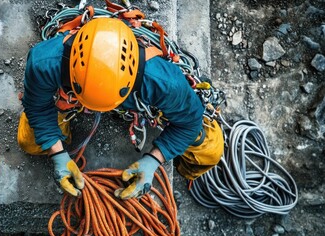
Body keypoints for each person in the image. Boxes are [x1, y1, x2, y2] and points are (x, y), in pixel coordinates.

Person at [18, 17, 224, 199]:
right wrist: (58, 154)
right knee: (29, 141)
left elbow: (190, 123)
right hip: (72, 97)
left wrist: (154, 159)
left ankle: (183, 171)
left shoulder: (164, 83)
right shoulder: (44, 63)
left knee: (210, 152)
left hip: (134, 93)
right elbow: (36, 106)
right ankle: (63, 137)